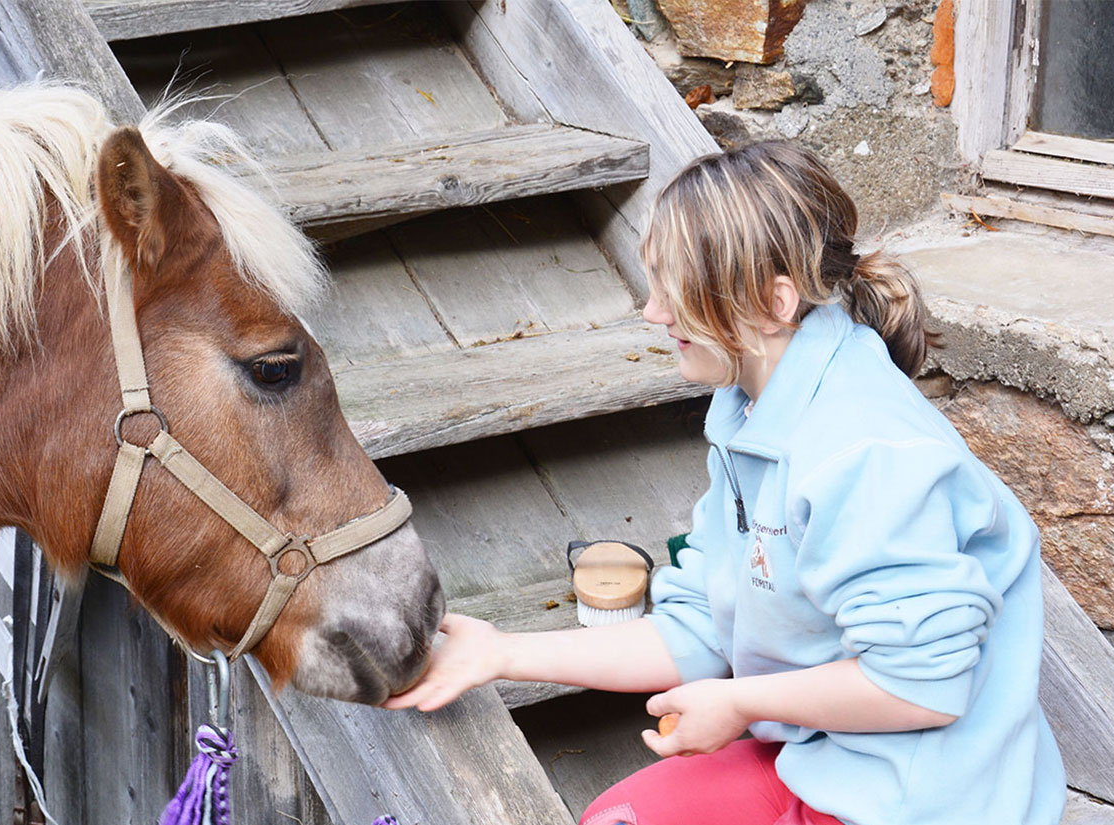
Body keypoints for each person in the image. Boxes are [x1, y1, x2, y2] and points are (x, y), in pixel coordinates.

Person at [382, 141, 1066, 825]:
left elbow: (923, 689)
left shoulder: (864, 450)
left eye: (674, 288)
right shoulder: (751, 409)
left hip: (928, 800)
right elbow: (698, 626)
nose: (652, 312)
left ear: (773, 302)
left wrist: (741, 702)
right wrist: (502, 652)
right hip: (828, 758)